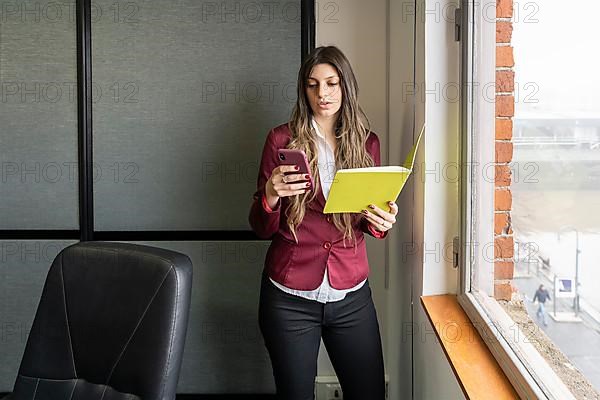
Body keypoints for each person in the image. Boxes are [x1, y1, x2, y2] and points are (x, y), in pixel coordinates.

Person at [248, 46, 397, 400]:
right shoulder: (281, 140)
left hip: (351, 296)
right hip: (289, 299)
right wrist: (270, 195)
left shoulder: (367, 143)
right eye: (313, 85)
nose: (322, 94)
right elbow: (260, 226)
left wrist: (383, 220)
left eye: (331, 83)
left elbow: (370, 222)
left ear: (345, 87)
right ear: (304, 90)